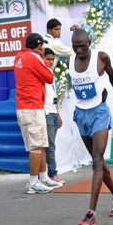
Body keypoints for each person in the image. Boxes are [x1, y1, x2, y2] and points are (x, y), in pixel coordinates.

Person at [68, 29, 113, 225]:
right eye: (75, 46)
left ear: (89, 42)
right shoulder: (70, 60)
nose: (79, 50)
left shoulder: (100, 58)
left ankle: (91, 214)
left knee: (96, 161)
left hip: (99, 113)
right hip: (81, 114)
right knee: (99, 162)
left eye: (83, 45)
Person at [14, 33, 61, 194]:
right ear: (39, 46)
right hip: (32, 107)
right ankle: (33, 182)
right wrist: (43, 60)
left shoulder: (19, 56)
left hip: (26, 106)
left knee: (41, 144)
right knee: (36, 147)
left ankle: (44, 177)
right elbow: (49, 77)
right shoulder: (33, 58)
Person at [44, 48, 65, 184]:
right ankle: (52, 173)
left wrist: (58, 114)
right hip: (45, 111)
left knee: (51, 145)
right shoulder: (42, 73)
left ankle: (48, 173)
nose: (51, 62)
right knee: (50, 145)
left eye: (53, 59)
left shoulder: (51, 73)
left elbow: (54, 96)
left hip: (53, 111)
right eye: (48, 59)